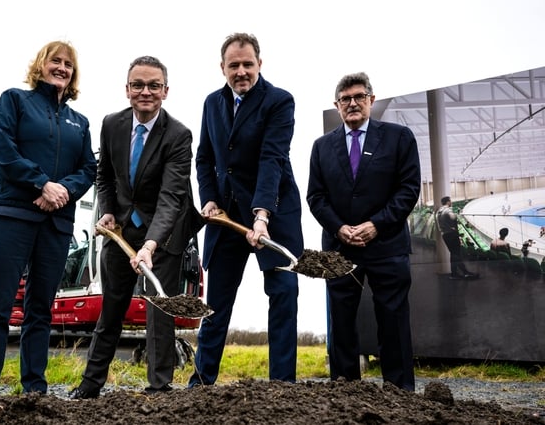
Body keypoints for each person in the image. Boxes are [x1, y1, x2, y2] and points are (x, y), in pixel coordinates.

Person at [68, 56, 200, 399]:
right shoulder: (112, 124)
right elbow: (105, 176)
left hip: (165, 234)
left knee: (159, 310)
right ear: (127, 89)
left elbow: (172, 197)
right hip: (122, 232)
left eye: (154, 86)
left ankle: (159, 387)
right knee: (111, 308)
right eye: (138, 85)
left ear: (165, 91)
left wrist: (151, 245)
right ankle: (90, 384)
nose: (146, 92)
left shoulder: (178, 135)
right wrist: (109, 211)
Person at [0, 41, 97, 394]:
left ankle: (34, 389)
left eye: (68, 64)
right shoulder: (15, 101)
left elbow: (88, 168)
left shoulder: (79, 122)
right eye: (54, 61)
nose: (61, 67)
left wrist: (61, 191)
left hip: (56, 223)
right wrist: (41, 184)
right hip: (13, 215)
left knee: (40, 308)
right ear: (40, 65)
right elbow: (3, 152)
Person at [189, 33, 304, 386]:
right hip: (225, 217)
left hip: (274, 214)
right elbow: (205, 158)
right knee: (216, 303)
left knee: (283, 294)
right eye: (233, 65)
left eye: (247, 64)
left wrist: (262, 215)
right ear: (222, 67)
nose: (241, 71)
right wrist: (208, 199)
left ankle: (282, 387)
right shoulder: (212, 103)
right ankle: (201, 382)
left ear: (260, 64)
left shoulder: (279, 101)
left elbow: (273, 158)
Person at [307, 72, 420, 392]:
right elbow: (315, 196)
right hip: (339, 249)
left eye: (359, 97)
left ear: (371, 99)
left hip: (387, 245)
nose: (352, 103)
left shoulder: (400, 138)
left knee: (393, 320)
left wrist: (376, 225)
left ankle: (399, 392)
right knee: (341, 323)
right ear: (336, 105)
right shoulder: (321, 147)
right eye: (345, 99)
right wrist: (339, 227)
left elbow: (408, 189)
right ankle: (345, 393)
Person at [436, 196, 479, 279]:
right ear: (448, 202)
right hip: (452, 234)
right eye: (450, 201)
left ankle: (454, 273)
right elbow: (453, 217)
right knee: (456, 254)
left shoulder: (439, 211)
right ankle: (465, 272)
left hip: (445, 234)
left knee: (453, 254)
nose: (451, 202)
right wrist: (457, 215)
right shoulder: (448, 210)